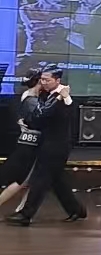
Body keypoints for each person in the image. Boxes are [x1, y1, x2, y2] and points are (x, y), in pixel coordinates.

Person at [5, 65, 86, 226]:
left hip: (56, 146)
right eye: (42, 79)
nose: (43, 82)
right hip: (48, 143)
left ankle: (26, 215)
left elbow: (45, 114)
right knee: (58, 182)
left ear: (57, 80)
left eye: (47, 80)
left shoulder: (63, 97)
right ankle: (77, 210)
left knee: (39, 180)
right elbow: (38, 117)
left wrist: (59, 98)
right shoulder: (48, 95)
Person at [0, 68, 44, 209]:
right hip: (29, 145)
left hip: (28, 143)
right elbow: (40, 119)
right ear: (39, 81)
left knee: (26, 180)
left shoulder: (30, 96)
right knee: (21, 180)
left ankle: (22, 210)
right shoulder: (32, 99)